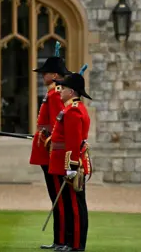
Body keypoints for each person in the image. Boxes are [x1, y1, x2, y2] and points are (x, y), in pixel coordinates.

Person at [29, 56, 71, 250]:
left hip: (51, 153)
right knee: (57, 199)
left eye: (45, 73)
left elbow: (57, 126)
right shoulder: (53, 93)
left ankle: (61, 240)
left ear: (55, 75)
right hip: (47, 150)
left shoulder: (55, 95)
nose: (42, 76)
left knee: (59, 200)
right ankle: (59, 240)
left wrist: (46, 140)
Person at [49, 73, 91, 252]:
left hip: (69, 164)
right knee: (69, 204)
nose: (60, 91)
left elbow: (73, 141)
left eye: (63, 88)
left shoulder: (73, 110)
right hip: (63, 162)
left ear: (72, 91)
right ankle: (69, 242)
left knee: (74, 205)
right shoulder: (71, 108)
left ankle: (75, 245)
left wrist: (71, 166)